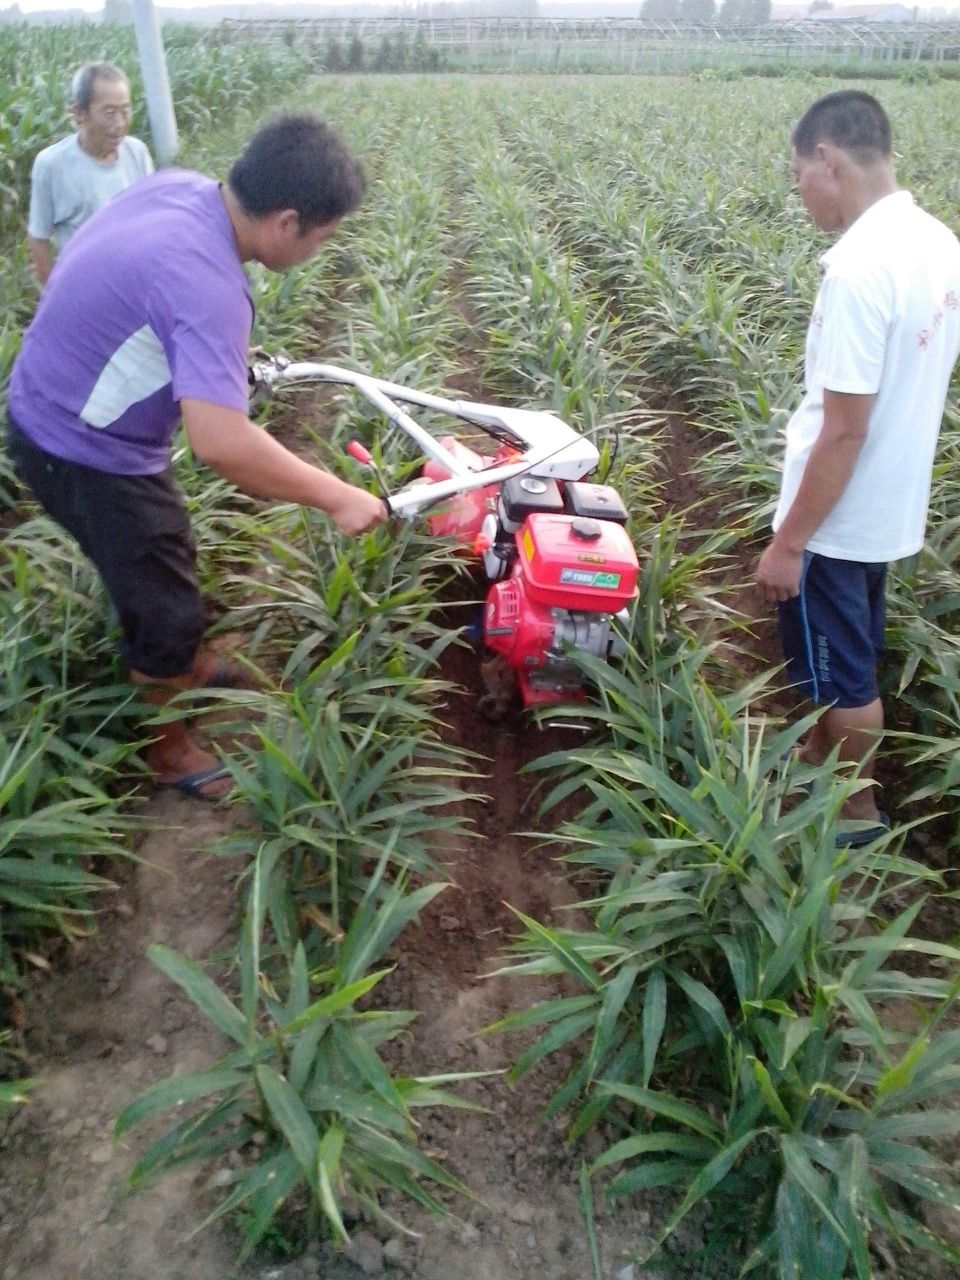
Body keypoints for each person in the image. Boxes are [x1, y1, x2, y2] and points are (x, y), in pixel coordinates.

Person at [7, 114, 386, 800]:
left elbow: (155, 305)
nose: (321, 251)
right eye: (323, 239)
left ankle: (187, 658)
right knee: (163, 602)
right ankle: (169, 748)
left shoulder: (182, 189)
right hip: (76, 446)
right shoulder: (209, 283)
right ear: (287, 222)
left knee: (165, 545)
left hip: (51, 397)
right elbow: (219, 443)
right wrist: (337, 495)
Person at [756, 90, 960, 843]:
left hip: (836, 523)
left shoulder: (858, 271)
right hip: (887, 505)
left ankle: (853, 814)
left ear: (826, 160)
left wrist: (788, 542)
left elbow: (842, 432)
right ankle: (816, 758)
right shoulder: (937, 241)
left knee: (842, 676)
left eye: (797, 174)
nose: (800, 191)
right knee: (851, 648)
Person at [27, 61, 154, 285]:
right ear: (79, 114)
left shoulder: (137, 153)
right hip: (86, 292)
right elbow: (39, 239)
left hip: (136, 287)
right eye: (109, 112)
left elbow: (153, 222)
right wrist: (54, 298)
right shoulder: (51, 165)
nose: (119, 123)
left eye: (125, 110)